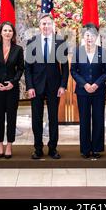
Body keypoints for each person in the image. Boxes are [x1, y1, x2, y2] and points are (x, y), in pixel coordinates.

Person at [25, 12, 69, 160]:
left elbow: (65, 67)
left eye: (48, 23)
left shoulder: (60, 42)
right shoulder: (32, 42)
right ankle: (38, 148)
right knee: (36, 119)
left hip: (54, 87)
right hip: (36, 87)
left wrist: (63, 85)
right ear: (39, 26)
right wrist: (29, 87)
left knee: (53, 118)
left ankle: (53, 148)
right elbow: (28, 68)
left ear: (53, 25)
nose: (46, 26)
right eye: (43, 24)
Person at [71, 23, 106, 159]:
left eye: (92, 35)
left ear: (96, 37)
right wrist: (85, 84)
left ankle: (97, 148)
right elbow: (73, 71)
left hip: (99, 92)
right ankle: (85, 149)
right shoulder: (78, 51)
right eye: (87, 35)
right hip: (83, 92)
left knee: (98, 119)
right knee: (85, 120)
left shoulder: (102, 52)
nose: (89, 38)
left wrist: (96, 84)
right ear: (83, 36)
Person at [0, 21, 24, 159]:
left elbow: (21, 69)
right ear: (1, 33)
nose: (7, 33)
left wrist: (13, 82)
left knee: (11, 118)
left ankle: (9, 145)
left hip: (12, 89)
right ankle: (0, 145)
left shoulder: (18, 49)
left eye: (10, 31)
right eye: (5, 30)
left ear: (13, 33)